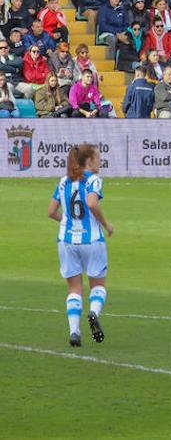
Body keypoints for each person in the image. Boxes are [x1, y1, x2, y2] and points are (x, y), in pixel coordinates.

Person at [47, 144, 113, 347]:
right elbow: (92, 203)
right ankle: (93, 312)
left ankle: (74, 332)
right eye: (98, 158)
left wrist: (68, 222)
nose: (100, 162)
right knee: (98, 285)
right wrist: (106, 224)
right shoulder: (93, 180)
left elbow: (51, 212)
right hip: (91, 239)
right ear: (89, 161)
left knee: (74, 288)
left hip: (66, 240)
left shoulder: (63, 181)